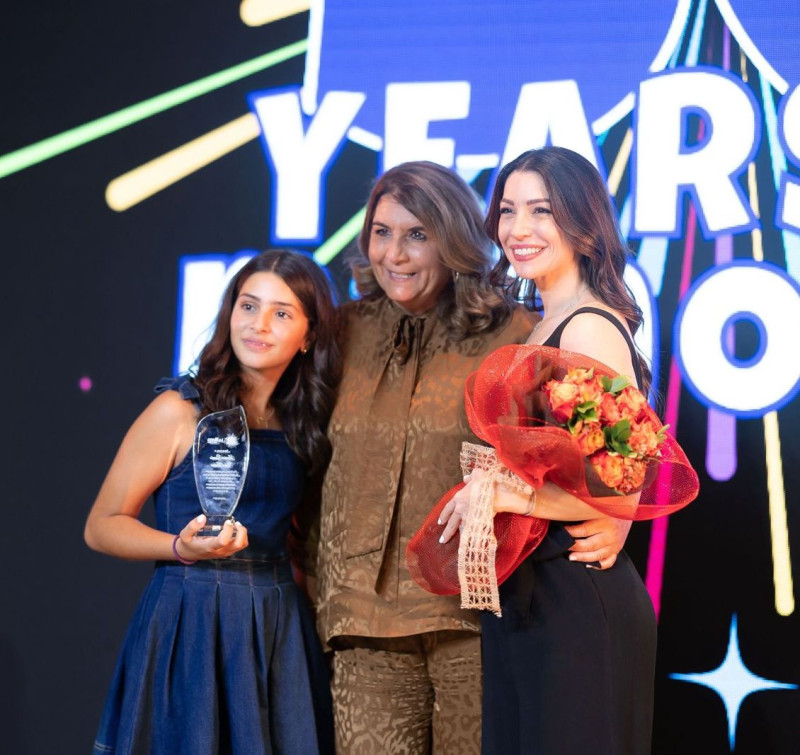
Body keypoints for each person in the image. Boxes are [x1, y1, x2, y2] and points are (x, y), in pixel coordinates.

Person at [312, 160, 632, 754]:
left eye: (418, 234)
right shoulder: (341, 332)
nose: (396, 253)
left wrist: (615, 510)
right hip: (360, 622)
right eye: (382, 233)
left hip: (476, 615)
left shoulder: (519, 328)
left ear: (454, 236)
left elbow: (619, 450)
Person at [438, 146, 657, 754]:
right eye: (509, 211)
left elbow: (623, 474)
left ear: (583, 221)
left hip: (574, 599)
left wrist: (512, 494)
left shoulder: (587, 325)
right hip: (532, 594)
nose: (518, 229)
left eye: (542, 210)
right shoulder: (543, 321)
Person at [85, 250, 338, 755]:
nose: (258, 325)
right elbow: (101, 525)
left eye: (281, 313)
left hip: (276, 621)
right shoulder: (179, 410)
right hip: (192, 615)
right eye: (248, 306)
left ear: (309, 336)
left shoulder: (306, 423)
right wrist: (180, 548)